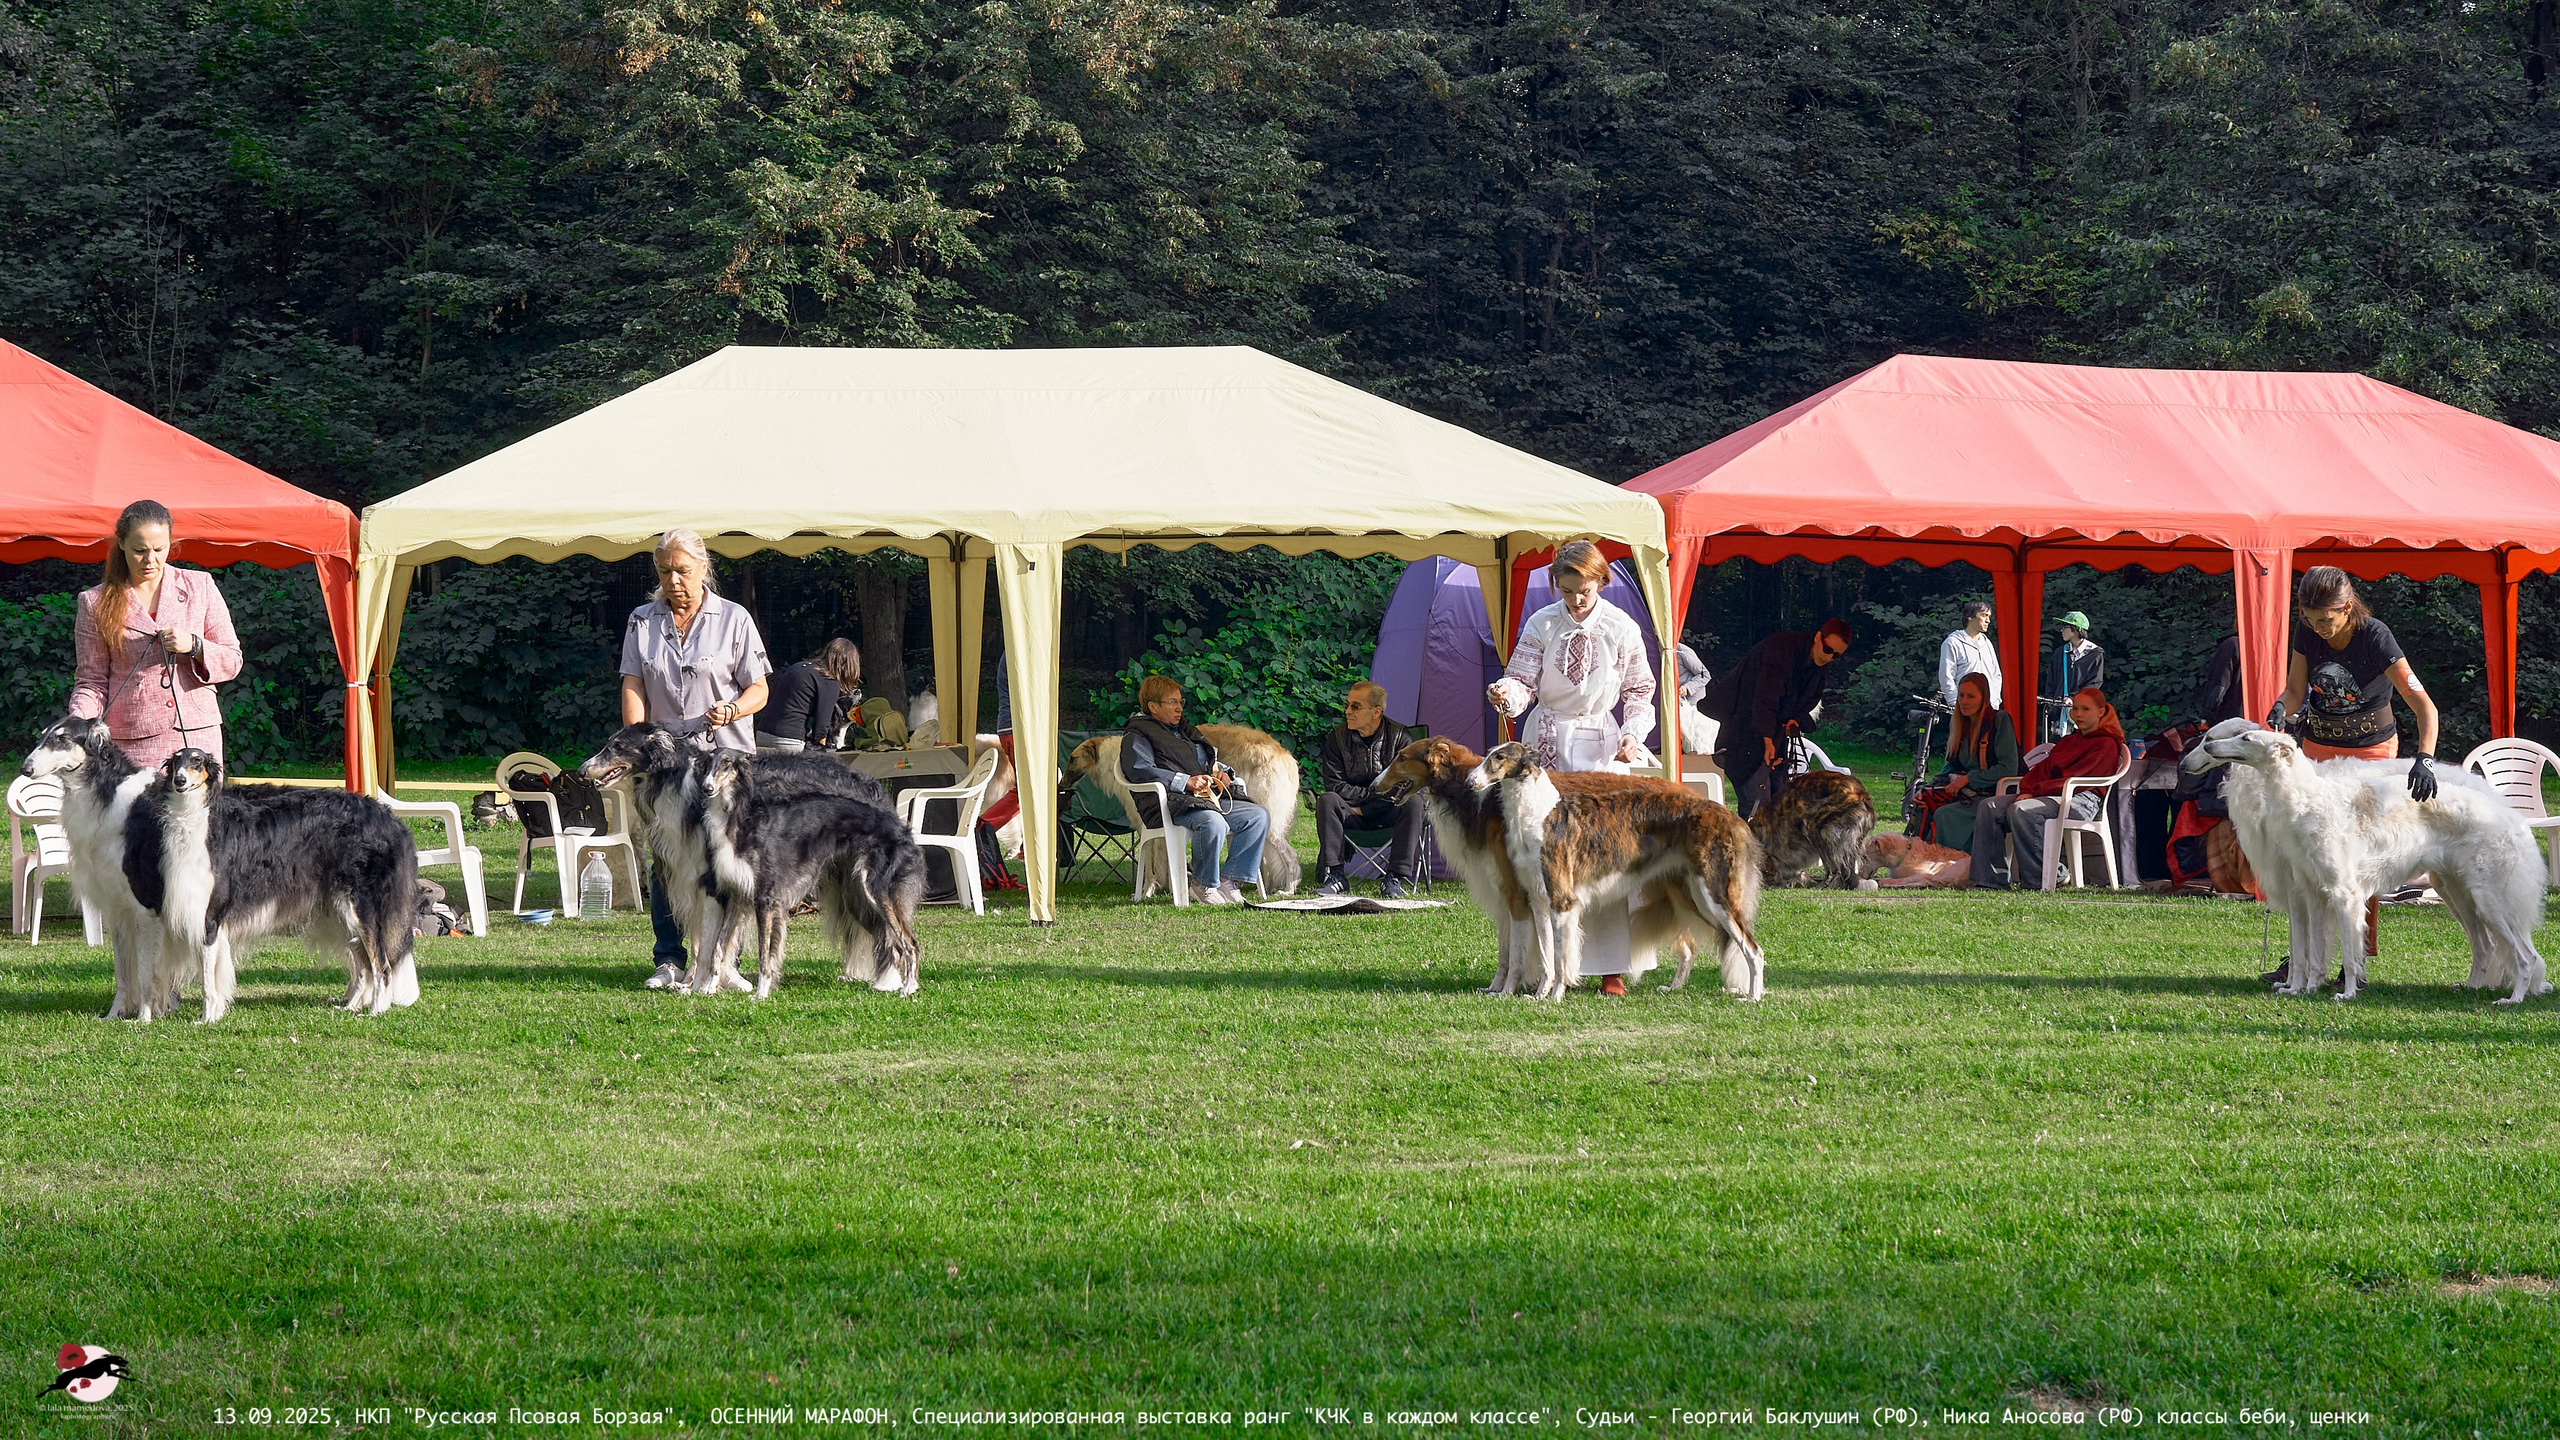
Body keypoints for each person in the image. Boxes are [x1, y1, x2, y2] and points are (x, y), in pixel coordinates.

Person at [1487, 540, 1659, 994]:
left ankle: (1610, 968)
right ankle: (1543, 968)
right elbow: (1523, 682)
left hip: (1601, 750)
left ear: (1601, 580)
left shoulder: (1622, 627)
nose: (1576, 599)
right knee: (1537, 860)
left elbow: (1641, 692)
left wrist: (1632, 734)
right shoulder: (1541, 623)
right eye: (1566, 591)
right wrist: (1508, 693)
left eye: (1583, 590)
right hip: (1543, 750)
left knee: (1601, 856)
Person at [2271, 565, 2442, 977]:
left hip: (2371, 752)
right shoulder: (2307, 632)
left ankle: (2356, 958)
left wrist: (2426, 757)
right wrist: (2281, 708)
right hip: (2320, 748)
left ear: (2347, 608)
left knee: (2357, 858)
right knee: (2309, 854)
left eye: (2326, 620)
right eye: (2311, 620)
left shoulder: (2375, 637)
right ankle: (2306, 957)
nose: (2319, 629)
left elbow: (2425, 706)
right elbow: (2296, 691)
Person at [621, 529, 772, 989]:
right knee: (666, 859)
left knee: (725, 861)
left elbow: (760, 689)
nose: (674, 580)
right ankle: (669, 958)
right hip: (666, 769)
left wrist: (733, 708)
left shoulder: (735, 619)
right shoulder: (641, 622)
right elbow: (633, 685)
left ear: (705, 569)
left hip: (724, 767)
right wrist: (637, 747)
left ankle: (726, 960)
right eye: (665, 571)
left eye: (683, 571)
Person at [68, 499, 243, 769]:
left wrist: (194, 646)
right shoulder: (94, 602)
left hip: (197, 736)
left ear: (171, 543)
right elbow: (91, 681)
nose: (151, 560)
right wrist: (76, 725)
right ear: (122, 543)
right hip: (133, 741)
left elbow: (232, 660)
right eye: (139, 550)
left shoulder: (201, 585)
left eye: (159, 549)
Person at [1121, 676, 1269, 905]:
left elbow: (1207, 761)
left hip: (1206, 798)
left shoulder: (1184, 730)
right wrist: (1184, 781)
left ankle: (1229, 881)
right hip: (1172, 802)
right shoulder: (1137, 735)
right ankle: (1203, 884)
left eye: (1181, 702)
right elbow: (1139, 770)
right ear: (1153, 707)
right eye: (1172, 703)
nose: (1179, 708)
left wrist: (1221, 773)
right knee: (1213, 822)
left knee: (1257, 816)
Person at [1970, 687, 2128, 889]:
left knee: (2023, 811)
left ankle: (2049, 877)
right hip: (2050, 794)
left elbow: (2079, 779)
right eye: (2075, 709)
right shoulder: (2068, 741)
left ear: (2101, 711)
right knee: (1989, 806)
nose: (2078, 714)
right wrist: (2028, 788)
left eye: (2085, 709)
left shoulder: (2106, 743)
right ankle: (1989, 880)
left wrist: (2034, 792)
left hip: (2082, 800)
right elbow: (2043, 770)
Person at [1701, 618, 1853, 820]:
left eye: (1837, 655)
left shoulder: (1818, 664)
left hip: (1771, 725)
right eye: (1827, 649)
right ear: (1818, 637)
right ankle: (1754, 839)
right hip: (1742, 721)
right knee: (1756, 797)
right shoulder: (1781, 651)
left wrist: (1794, 719)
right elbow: (1765, 698)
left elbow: (1808, 698)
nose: (1829, 657)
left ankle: (1772, 842)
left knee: (1777, 794)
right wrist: (1767, 740)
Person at [1314, 681, 1426, 898]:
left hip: (1390, 813)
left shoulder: (1400, 737)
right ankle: (1336, 876)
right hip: (1352, 814)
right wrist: (1366, 804)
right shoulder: (1337, 738)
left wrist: (1364, 808)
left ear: (1376, 712)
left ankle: (1394, 878)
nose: (1347, 712)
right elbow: (1335, 785)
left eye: (1355, 707)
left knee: (1413, 801)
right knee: (1327, 800)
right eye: (1347, 705)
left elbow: (1404, 786)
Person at [1912, 672, 2019, 853]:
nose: (1964, 701)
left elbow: (2008, 768)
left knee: (1944, 815)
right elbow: (1951, 765)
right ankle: (1916, 858)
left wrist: (1969, 779)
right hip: (1965, 793)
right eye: (1961, 695)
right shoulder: (1962, 724)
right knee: (1923, 805)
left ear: (1983, 698)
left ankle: (1950, 863)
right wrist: (1926, 790)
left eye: (1971, 696)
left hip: (1992, 794)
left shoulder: (1999, 720)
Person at [757, 638, 861, 753]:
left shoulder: (798, 667)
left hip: (762, 734)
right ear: (849, 665)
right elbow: (821, 728)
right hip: (789, 740)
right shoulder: (829, 680)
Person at [2045, 611, 2105, 739]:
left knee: (2082, 750)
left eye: (2065, 627)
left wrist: (2074, 698)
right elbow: (2051, 680)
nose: (2061, 630)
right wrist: (2051, 701)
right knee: (2058, 750)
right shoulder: (2060, 653)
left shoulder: (2095, 654)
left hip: (2082, 713)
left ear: (2076, 629)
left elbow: (2094, 683)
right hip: (2059, 714)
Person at [1936, 601, 2000, 710]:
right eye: (1984, 615)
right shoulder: (1953, 642)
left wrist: (1995, 702)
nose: (1988, 620)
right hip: (1964, 709)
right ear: (1970, 616)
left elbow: (1996, 675)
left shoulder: (1987, 643)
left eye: (1989, 616)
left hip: (1988, 709)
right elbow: (1946, 677)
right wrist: (1956, 704)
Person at [2192, 632, 2248, 727]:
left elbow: (2219, 685)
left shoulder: (2233, 644)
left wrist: (2207, 715)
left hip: (2231, 724)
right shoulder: (2273, 648)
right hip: (2266, 724)